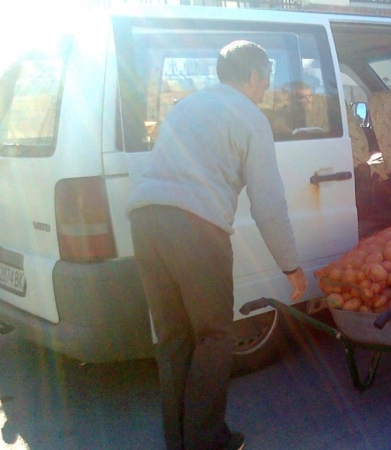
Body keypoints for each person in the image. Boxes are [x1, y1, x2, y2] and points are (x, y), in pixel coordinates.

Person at [127, 40, 308, 450]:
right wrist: (290, 265)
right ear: (254, 76)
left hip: (145, 219)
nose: (266, 88)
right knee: (213, 335)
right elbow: (268, 203)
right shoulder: (250, 116)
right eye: (266, 79)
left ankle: (179, 440)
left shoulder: (185, 106)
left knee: (173, 338)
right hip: (195, 227)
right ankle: (208, 442)